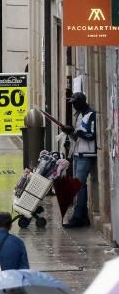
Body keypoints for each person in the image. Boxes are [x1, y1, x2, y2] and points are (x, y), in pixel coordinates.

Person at [62, 92, 97, 228]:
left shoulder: (90, 114)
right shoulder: (78, 115)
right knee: (78, 186)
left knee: (79, 186)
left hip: (86, 154)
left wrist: (76, 131)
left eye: (75, 103)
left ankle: (79, 217)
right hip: (77, 153)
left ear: (82, 102)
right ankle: (81, 215)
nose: (74, 106)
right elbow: (77, 137)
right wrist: (69, 132)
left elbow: (91, 135)